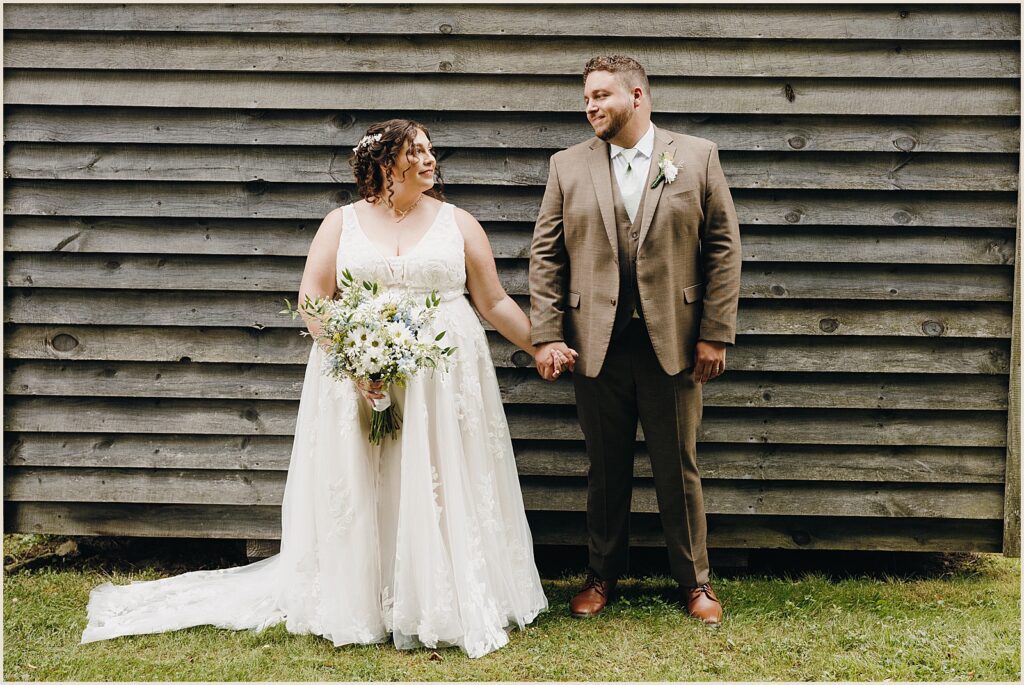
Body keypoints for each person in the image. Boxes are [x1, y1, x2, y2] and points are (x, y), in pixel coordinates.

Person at [80, 118, 576, 659]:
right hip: (356, 378)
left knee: (433, 478)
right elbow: (313, 299)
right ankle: (364, 597)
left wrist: (539, 345)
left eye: (433, 150)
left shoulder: (459, 223)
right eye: (418, 151)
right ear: (387, 163)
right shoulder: (341, 224)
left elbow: (495, 301)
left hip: (442, 381)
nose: (432, 160)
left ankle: (435, 595)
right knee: (365, 481)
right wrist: (355, 358)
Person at [529, 55, 741, 624]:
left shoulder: (695, 157)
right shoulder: (566, 166)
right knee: (605, 468)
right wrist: (546, 334)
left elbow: (722, 248)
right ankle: (600, 577)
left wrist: (716, 333)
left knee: (679, 466)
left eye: (601, 95)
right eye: (586, 99)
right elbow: (546, 255)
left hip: (672, 340)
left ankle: (696, 583)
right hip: (593, 344)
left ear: (637, 95)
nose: (592, 106)